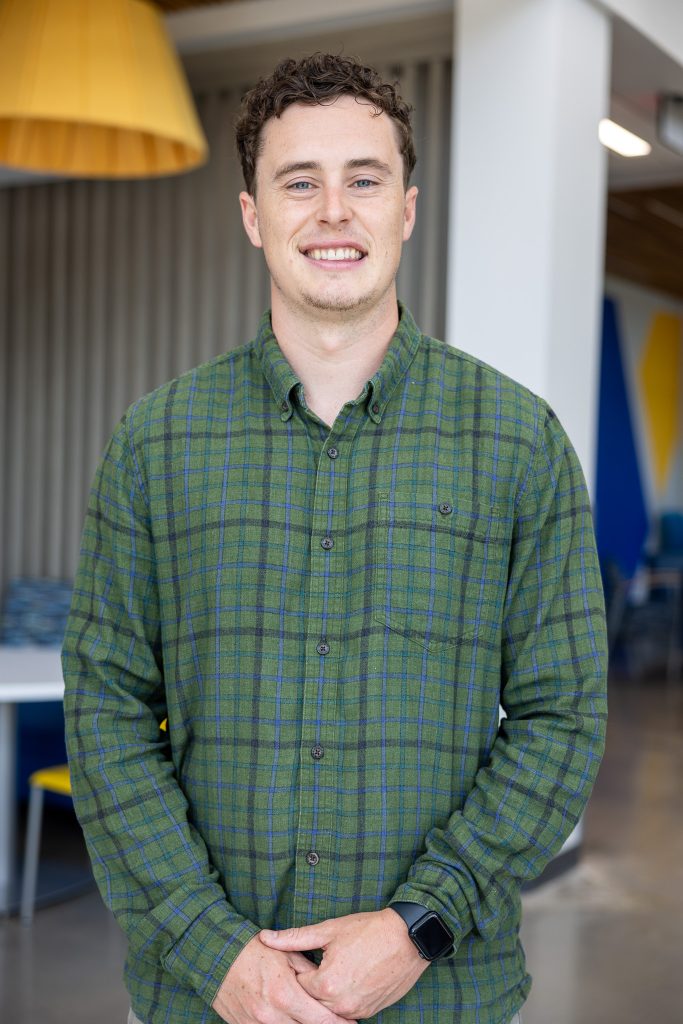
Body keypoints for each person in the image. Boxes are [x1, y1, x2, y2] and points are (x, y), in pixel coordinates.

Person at [63, 53, 608, 1024]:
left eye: (362, 179)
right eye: (297, 182)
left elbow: (558, 717)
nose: (332, 211)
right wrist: (210, 947)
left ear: (403, 208)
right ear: (251, 215)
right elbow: (105, 713)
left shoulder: (517, 442)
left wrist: (417, 925)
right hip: (204, 1001)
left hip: (444, 998)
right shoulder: (155, 442)